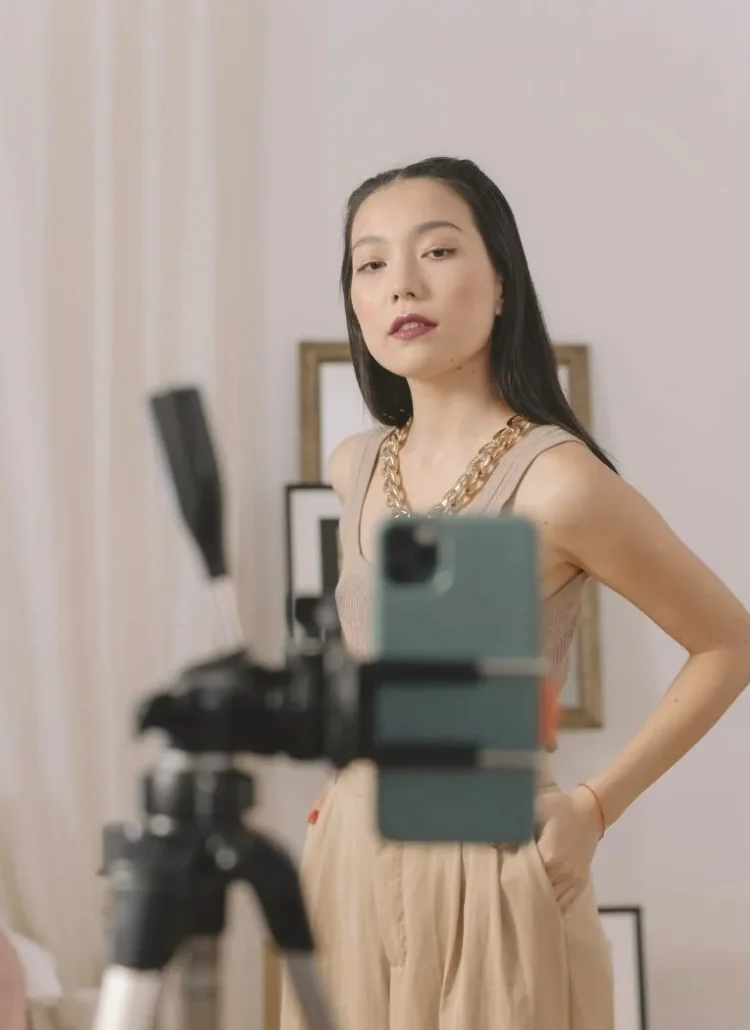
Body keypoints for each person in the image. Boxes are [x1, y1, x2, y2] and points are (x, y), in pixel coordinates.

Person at [279, 156, 750, 1030]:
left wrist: (593, 808)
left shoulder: (558, 482)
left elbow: (730, 642)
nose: (401, 284)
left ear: (501, 284)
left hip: (491, 857)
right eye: (370, 263)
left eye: (439, 251)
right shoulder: (357, 466)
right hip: (345, 853)